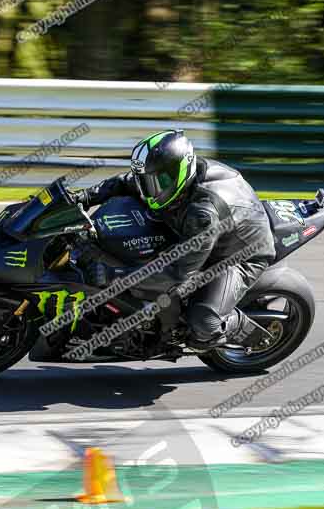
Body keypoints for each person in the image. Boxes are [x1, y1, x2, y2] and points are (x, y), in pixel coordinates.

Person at [72, 129, 276, 350]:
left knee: (203, 325)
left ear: (179, 173)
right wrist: (84, 197)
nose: (148, 189)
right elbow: (125, 182)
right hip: (209, 230)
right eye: (146, 181)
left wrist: (115, 276)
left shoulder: (203, 214)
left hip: (238, 255)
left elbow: (176, 272)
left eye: (157, 181)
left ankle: (235, 326)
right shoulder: (166, 178)